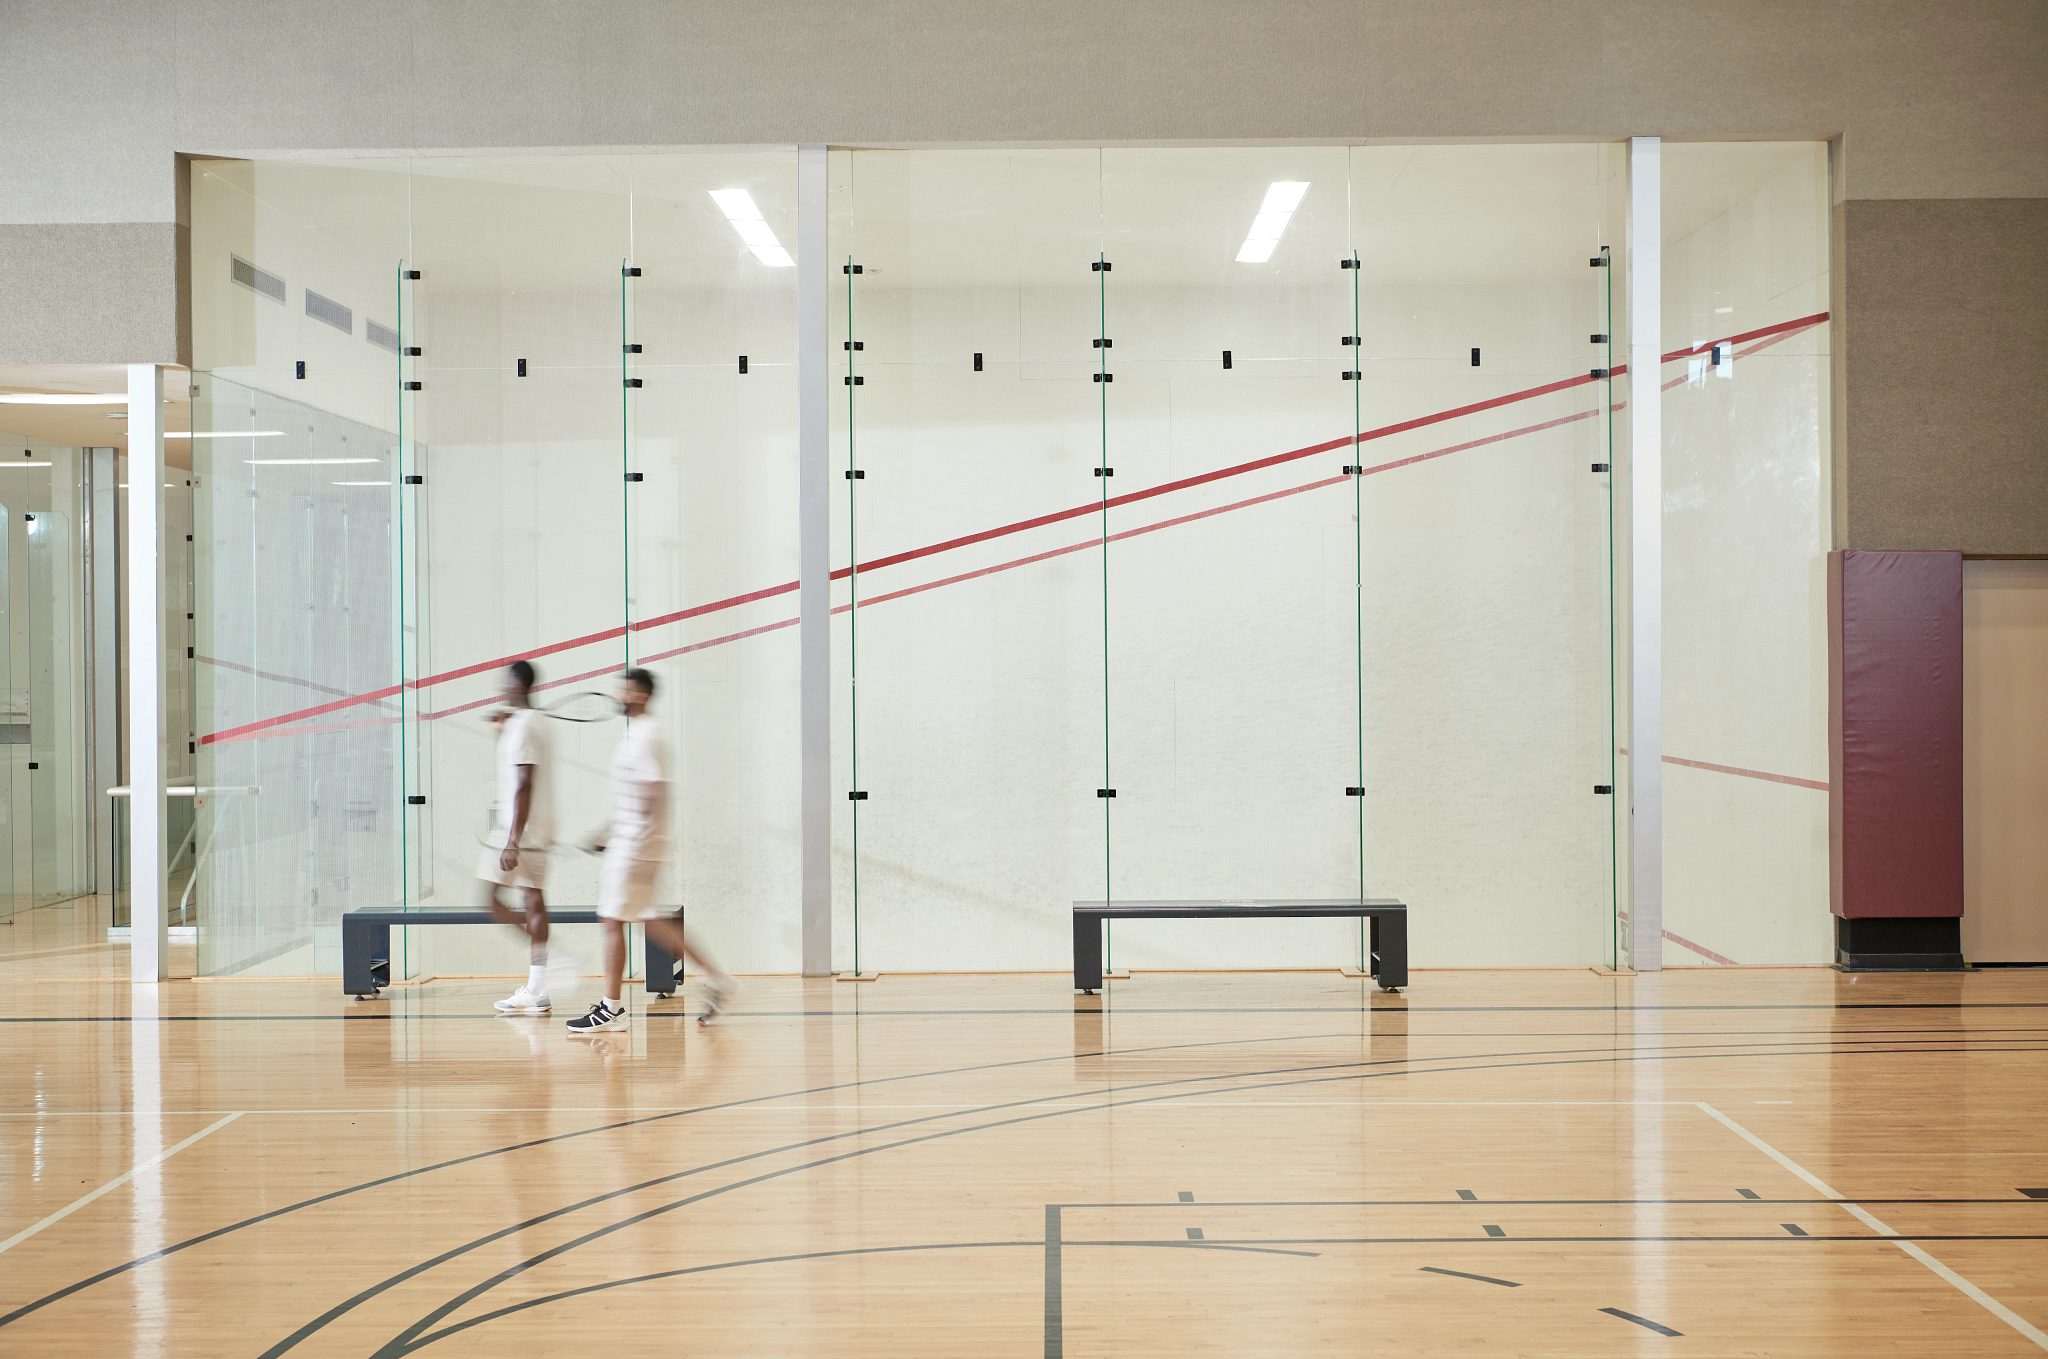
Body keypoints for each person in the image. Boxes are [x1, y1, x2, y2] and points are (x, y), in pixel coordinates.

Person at [566, 667, 735, 1033]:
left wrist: (623, 836)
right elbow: (637, 795)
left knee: (611, 920)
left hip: (635, 847)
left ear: (640, 695)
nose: (618, 696)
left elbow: (654, 792)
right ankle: (717, 979)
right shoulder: (638, 733)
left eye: (624, 690)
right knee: (651, 923)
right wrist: (607, 831)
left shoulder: (647, 736)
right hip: (635, 843)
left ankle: (611, 1008)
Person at [481, 659, 558, 1014]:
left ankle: (555, 963)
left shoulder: (524, 726)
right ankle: (538, 987)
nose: (503, 688)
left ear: (522, 686)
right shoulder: (531, 722)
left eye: (508, 683)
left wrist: (512, 840)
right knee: (532, 900)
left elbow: (524, 783)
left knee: (491, 900)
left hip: (519, 829)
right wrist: (504, 730)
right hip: (536, 827)